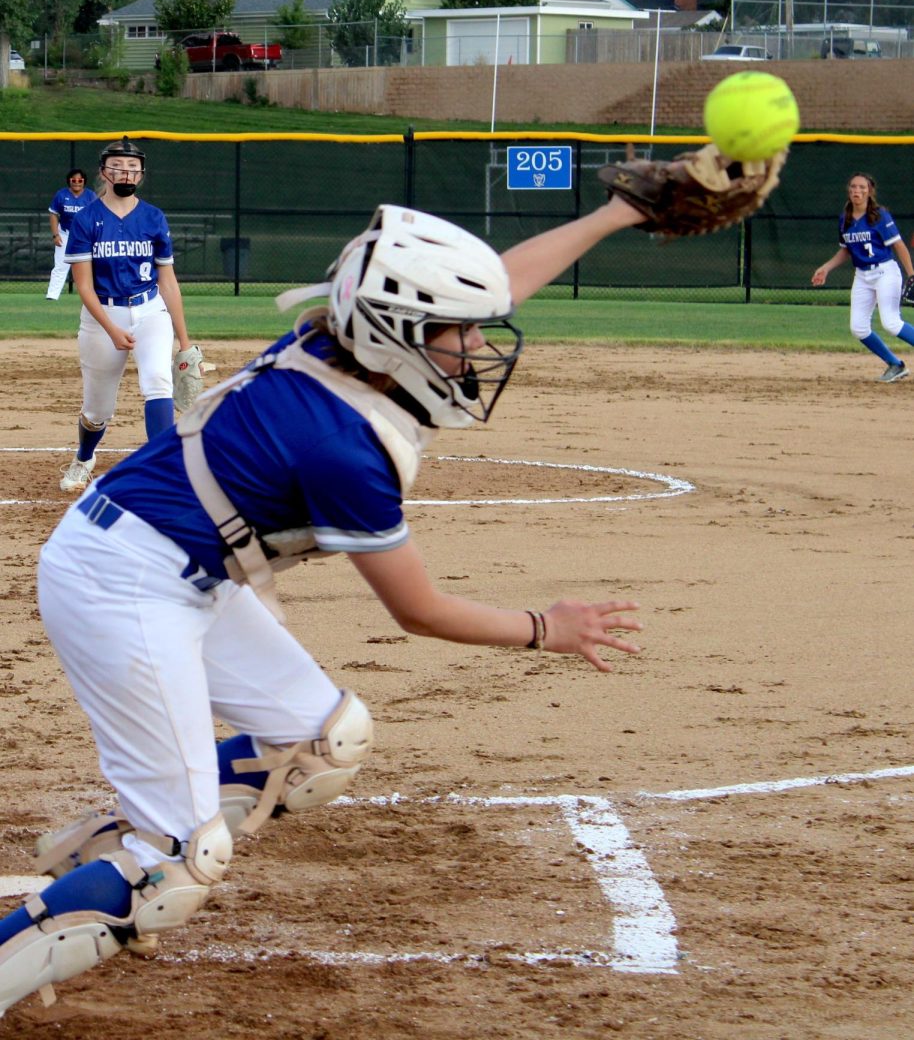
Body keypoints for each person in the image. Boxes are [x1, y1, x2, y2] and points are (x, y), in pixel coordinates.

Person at [0, 195, 652, 1018]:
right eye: (460, 335)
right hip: (123, 584)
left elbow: (497, 285)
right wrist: (544, 630)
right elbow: (418, 609)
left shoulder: (329, 344)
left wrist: (617, 213)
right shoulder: (344, 449)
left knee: (322, 738)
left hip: (167, 566)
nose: (479, 346)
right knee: (175, 867)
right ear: (398, 336)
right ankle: (126, 864)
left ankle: (88, 858)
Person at [58, 136, 198, 493]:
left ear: (141, 175)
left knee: (158, 382)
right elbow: (84, 287)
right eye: (118, 166)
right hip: (102, 315)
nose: (126, 172)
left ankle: (165, 473)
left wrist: (185, 342)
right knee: (97, 409)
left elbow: (168, 283)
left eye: (133, 168)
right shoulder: (86, 220)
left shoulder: (153, 217)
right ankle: (84, 457)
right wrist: (112, 330)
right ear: (103, 172)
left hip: (150, 310)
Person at [811, 171, 914, 382]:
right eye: (853, 187)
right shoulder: (845, 219)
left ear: (870, 191)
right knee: (858, 328)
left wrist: (912, 275)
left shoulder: (879, 215)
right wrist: (826, 268)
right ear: (849, 191)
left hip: (885, 271)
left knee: (891, 323)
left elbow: (899, 245)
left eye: (861, 187)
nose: (857, 190)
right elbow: (846, 250)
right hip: (863, 276)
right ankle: (895, 365)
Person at [45, 168, 97, 301]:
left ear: (84, 181)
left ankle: (94, 294)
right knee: (61, 265)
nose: (77, 183)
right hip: (65, 233)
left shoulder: (91, 196)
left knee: (91, 265)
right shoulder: (61, 195)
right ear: (69, 181)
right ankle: (52, 295)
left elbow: (96, 216)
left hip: (84, 236)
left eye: (80, 180)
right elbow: (53, 214)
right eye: (74, 180)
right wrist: (56, 235)